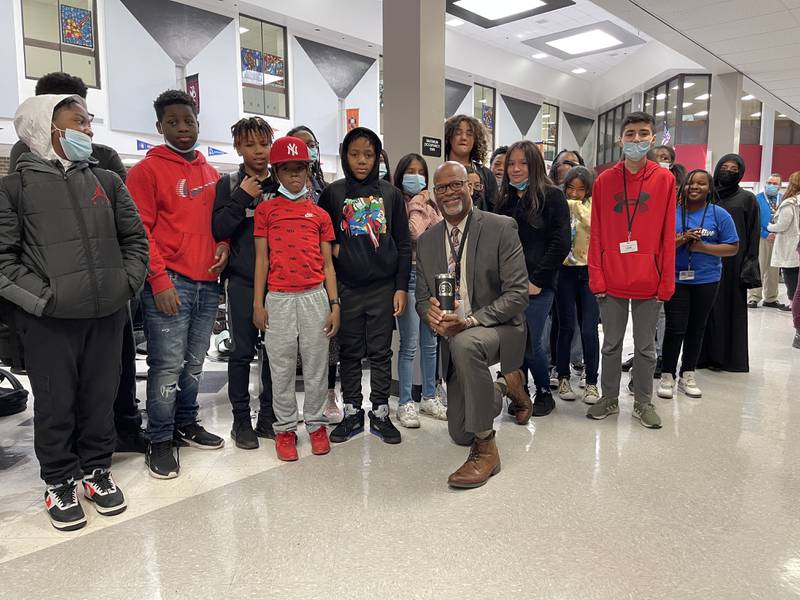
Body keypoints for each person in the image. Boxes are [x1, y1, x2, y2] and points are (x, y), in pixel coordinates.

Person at [0, 94, 148, 530]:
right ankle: (59, 480)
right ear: (47, 128)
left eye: (88, 122)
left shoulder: (106, 181)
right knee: (55, 403)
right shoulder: (13, 189)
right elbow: (3, 259)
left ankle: (97, 471)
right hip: (49, 321)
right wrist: (45, 299)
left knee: (101, 398)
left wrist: (124, 285)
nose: (88, 130)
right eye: (77, 122)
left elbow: (135, 241)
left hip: (106, 315)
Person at [127, 90, 229, 479]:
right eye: (173, 122)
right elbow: (141, 232)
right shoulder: (146, 172)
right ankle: (159, 438)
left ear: (197, 122)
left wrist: (224, 246)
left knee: (194, 365)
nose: (182, 128)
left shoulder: (211, 173)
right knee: (166, 366)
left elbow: (219, 225)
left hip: (207, 283)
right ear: (160, 127)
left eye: (188, 121)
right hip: (170, 282)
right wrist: (159, 281)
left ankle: (186, 422)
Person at [416, 161, 529, 488]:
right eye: (441, 188)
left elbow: (518, 294)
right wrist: (432, 316)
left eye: (456, 185)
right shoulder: (426, 241)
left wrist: (472, 321)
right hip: (454, 333)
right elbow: (422, 298)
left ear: (471, 187)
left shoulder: (500, 227)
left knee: (466, 343)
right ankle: (505, 386)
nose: (449, 192)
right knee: (458, 433)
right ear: (434, 195)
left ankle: (487, 447)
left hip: (499, 326)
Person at [318, 127, 411, 445]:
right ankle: (353, 411)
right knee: (350, 352)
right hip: (346, 288)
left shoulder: (391, 194)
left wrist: (400, 286)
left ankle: (381, 412)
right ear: (345, 155)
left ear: (378, 157)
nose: (361, 160)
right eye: (355, 154)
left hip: (384, 288)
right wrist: (336, 253)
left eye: (368, 155)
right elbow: (321, 238)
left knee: (382, 352)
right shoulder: (333, 193)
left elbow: (403, 244)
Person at [252, 136, 340, 461]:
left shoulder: (319, 215)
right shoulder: (265, 211)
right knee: (281, 366)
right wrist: (258, 303)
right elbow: (261, 259)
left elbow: (328, 264)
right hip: (278, 298)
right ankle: (285, 429)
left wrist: (335, 305)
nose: (293, 176)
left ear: (308, 169)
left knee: (317, 364)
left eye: (299, 169)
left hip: (315, 297)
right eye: (286, 169)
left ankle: (316, 424)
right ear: (276, 172)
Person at [587, 111, 676, 429]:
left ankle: (643, 402)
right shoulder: (604, 181)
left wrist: (666, 282)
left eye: (642, 133)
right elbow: (596, 232)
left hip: (649, 280)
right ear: (619, 139)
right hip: (611, 278)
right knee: (610, 345)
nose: (636, 139)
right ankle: (609, 398)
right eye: (630, 134)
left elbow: (668, 235)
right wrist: (596, 275)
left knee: (645, 347)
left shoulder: (665, 179)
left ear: (652, 139)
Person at [212, 117, 278, 449]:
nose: (258, 151)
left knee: (275, 353)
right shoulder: (228, 184)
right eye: (250, 144)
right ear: (238, 147)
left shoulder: (282, 183)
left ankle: (268, 416)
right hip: (240, 281)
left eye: (263, 144)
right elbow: (218, 228)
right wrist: (241, 197)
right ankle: (241, 421)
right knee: (242, 352)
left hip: (280, 284)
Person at [495, 140, 570, 417]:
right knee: (513, 342)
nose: (515, 169)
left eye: (522, 163)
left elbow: (561, 243)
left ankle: (544, 391)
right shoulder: (504, 200)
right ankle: (519, 392)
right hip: (508, 286)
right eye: (511, 164)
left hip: (539, 285)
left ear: (535, 165)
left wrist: (537, 280)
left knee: (530, 341)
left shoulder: (552, 196)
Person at [658, 170, 739, 400]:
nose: (695, 187)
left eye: (701, 184)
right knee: (675, 327)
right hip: (675, 279)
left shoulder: (719, 215)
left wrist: (704, 247)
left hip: (707, 279)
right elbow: (660, 247)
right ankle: (667, 375)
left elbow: (732, 247)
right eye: (690, 183)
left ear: (709, 188)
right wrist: (682, 239)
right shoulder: (671, 213)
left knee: (696, 328)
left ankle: (688, 374)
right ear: (682, 187)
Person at [287, 125, 342, 422]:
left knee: (326, 340)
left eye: (311, 144)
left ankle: (329, 394)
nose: (307, 148)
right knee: (292, 346)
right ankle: (290, 404)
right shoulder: (279, 190)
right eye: (300, 143)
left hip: (321, 276)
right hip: (288, 278)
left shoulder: (323, 188)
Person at [392, 153, 447, 428]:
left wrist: (426, 208)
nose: (416, 175)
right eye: (410, 171)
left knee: (431, 343)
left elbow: (440, 235)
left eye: (420, 171)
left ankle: (429, 396)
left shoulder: (432, 205)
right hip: (410, 278)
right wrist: (417, 205)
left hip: (432, 279)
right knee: (409, 345)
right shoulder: (398, 203)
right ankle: (404, 402)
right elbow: (414, 233)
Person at [698, 155, 760, 373]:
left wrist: (750, 261)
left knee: (729, 309)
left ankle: (727, 358)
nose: (728, 171)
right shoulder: (707, 196)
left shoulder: (747, 199)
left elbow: (752, 234)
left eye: (734, 168)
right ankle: (701, 356)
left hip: (734, 263)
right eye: (724, 167)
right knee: (705, 308)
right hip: (704, 260)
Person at [555, 166, 601, 405]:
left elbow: (590, 220)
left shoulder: (595, 205)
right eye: (571, 188)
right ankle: (563, 376)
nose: (575, 193)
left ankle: (592, 382)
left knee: (589, 329)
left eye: (581, 189)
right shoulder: (558, 203)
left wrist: (573, 204)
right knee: (566, 327)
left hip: (589, 271)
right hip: (564, 272)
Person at [444, 115, 497, 211]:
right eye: (458, 133)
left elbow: (494, 211)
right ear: (449, 137)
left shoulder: (486, 175)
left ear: (475, 140)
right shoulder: (439, 168)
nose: (464, 138)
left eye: (469, 134)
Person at [748, 173, 786, 309]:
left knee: (774, 269)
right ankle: (753, 297)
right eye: (770, 183)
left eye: (775, 184)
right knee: (759, 266)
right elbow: (753, 221)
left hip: (778, 238)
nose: (772, 186)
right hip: (761, 237)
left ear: (780, 186)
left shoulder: (783, 199)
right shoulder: (756, 199)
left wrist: (778, 233)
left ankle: (770, 298)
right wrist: (764, 233)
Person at [767, 171, 800, 304]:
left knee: (790, 276)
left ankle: (794, 306)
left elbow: (783, 225)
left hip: (790, 246)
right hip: (796, 245)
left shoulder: (790, 202)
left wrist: (770, 227)